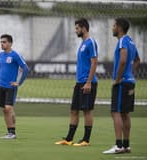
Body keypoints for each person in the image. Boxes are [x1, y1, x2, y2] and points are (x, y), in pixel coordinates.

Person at [55, 18, 98, 146]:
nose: (76, 31)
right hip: (80, 82)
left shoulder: (91, 42)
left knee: (87, 111)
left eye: (77, 28)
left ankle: (86, 140)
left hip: (88, 83)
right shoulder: (82, 44)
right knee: (74, 110)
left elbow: (94, 62)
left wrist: (89, 82)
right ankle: (68, 139)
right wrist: (78, 81)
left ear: (84, 28)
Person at [103, 18, 140, 154]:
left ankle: (118, 145)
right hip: (130, 81)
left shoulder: (123, 40)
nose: (112, 28)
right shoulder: (131, 41)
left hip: (122, 82)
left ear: (119, 27)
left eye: (114, 25)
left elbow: (123, 60)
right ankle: (126, 145)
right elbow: (137, 60)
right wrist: (130, 73)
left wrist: (118, 79)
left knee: (116, 112)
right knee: (125, 113)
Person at [0, 34, 29, 139]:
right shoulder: (0, 55)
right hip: (1, 86)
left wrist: (19, 82)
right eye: (1, 42)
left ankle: (13, 133)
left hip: (11, 87)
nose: (2, 44)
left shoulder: (15, 55)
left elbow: (26, 68)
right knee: (5, 109)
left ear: (10, 43)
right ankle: (9, 132)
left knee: (8, 108)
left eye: (4, 42)